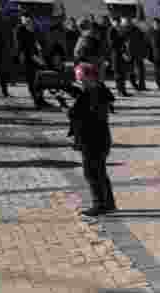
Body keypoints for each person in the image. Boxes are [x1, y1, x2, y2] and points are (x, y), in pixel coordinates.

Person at [66, 62, 116, 217]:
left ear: (88, 77)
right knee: (100, 172)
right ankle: (108, 203)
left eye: (80, 79)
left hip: (92, 139)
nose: (79, 82)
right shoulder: (98, 90)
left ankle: (99, 204)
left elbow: (81, 114)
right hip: (100, 137)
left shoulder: (91, 93)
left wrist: (69, 108)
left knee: (92, 173)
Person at [16, 15, 47, 107]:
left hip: (35, 57)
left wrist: (40, 56)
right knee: (32, 80)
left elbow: (37, 44)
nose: (30, 23)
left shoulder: (33, 30)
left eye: (30, 21)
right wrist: (38, 59)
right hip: (29, 58)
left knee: (39, 79)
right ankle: (37, 101)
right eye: (27, 21)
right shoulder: (21, 30)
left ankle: (40, 99)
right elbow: (24, 47)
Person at [123, 16, 148, 91]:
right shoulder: (125, 30)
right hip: (129, 53)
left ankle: (141, 85)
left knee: (141, 70)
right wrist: (124, 52)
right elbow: (122, 42)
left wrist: (144, 51)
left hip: (138, 52)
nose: (130, 22)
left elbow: (143, 40)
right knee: (131, 70)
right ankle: (134, 84)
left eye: (130, 21)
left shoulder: (137, 30)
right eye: (128, 21)